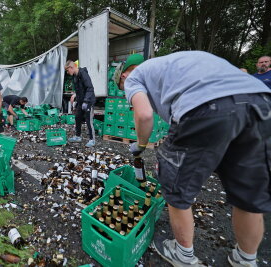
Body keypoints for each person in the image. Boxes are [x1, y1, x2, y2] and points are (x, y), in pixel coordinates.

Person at [116, 51, 271, 267]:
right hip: (261, 103)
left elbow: (144, 115)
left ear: (123, 76)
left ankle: (183, 255)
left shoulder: (134, 77)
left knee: (175, 184)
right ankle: (245, 259)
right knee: (249, 193)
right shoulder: (173, 63)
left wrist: (140, 145)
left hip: (207, 106)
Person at [64, 60, 96, 148]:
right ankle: (78, 136)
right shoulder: (75, 76)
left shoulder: (83, 74)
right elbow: (79, 89)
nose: (67, 72)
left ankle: (92, 140)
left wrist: (86, 101)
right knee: (77, 117)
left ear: (71, 67)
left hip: (88, 101)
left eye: (67, 70)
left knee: (88, 120)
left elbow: (90, 88)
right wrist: (74, 95)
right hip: (81, 101)